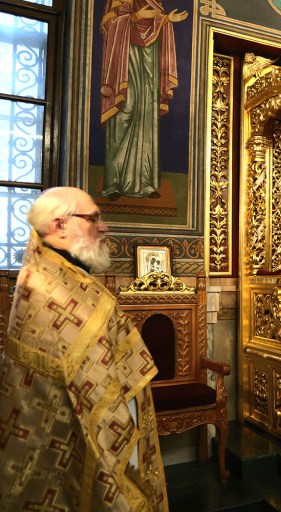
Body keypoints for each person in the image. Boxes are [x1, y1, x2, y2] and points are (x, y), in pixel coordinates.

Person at [0, 187, 168, 510]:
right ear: (59, 225)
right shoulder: (44, 286)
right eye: (93, 218)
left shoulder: (62, 273)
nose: (103, 227)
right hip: (61, 435)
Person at [99, 0, 188, 200]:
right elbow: (110, 25)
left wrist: (166, 20)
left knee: (147, 117)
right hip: (125, 61)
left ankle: (145, 182)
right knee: (125, 111)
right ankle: (114, 181)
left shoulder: (153, 1)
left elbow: (155, 26)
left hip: (149, 63)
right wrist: (136, 17)